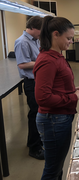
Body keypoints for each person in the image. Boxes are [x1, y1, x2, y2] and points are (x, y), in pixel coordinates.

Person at [33, 16, 79, 179]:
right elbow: (43, 97)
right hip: (53, 120)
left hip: (59, 118)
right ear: (55, 34)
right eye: (68, 38)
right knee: (52, 170)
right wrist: (73, 97)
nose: (71, 42)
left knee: (57, 167)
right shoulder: (48, 60)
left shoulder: (56, 56)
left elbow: (56, 85)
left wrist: (72, 90)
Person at [14, 16, 44, 160]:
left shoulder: (35, 40)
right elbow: (22, 64)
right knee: (35, 114)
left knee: (37, 113)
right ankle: (34, 148)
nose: (41, 33)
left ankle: (34, 141)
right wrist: (42, 61)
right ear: (32, 28)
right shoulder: (22, 42)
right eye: (40, 30)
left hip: (38, 80)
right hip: (31, 82)